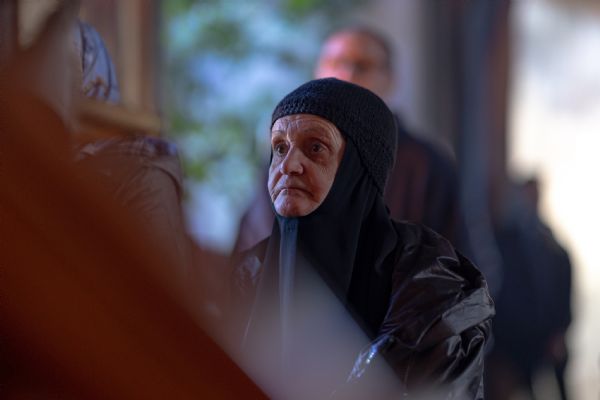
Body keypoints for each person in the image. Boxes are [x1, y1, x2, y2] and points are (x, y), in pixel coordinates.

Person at [228, 78, 494, 399]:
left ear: (357, 167)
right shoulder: (245, 279)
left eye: (315, 148)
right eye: (280, 148)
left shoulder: (432, 290)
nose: (288, 166)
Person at [234, 26, 466, 256]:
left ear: (390, 79)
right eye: (335, 63)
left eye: (361, 66)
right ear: (317, 72)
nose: (346, 75)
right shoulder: (285, 159)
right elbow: (256, 248)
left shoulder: (424, 164)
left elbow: (450, 259)